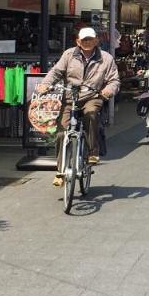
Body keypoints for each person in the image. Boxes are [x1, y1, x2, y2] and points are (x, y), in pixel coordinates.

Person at [37, 27, 120, 184]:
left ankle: (92, 151)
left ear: (96, 40)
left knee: (91, 114)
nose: (87, 42)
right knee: (62, 132)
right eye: (84, 40)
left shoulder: (106, 58)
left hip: (92, 96)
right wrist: (45, 85)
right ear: (78, 41)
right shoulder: (69, 54)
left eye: (90, 39)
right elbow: (56, 72)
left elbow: (114, 80)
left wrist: (108, 90)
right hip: (70, 97)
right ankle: (61, 171)